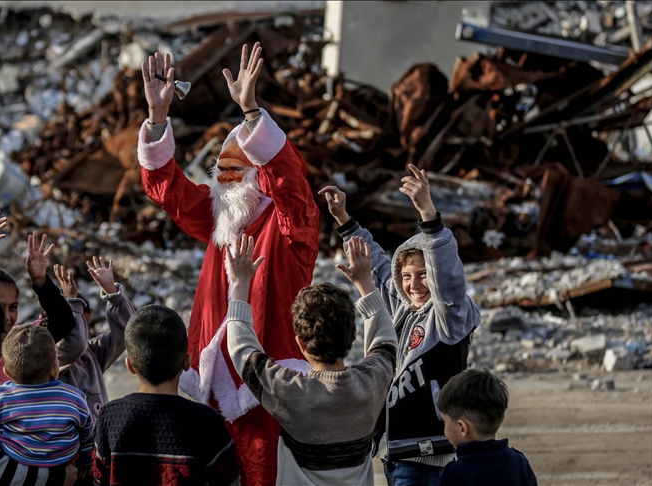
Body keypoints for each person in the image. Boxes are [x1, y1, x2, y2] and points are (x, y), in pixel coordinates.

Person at [139, 42, 320, 483]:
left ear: (260, 177)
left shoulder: (289, 226)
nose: (222, 179)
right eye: (218, 169)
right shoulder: (221, 218)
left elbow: (293, 185)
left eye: (235, 171)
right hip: (211, 391)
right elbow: (167, 188)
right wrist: (157, 117)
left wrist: (253, 113)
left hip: (266, 391)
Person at [320, 164, 480, 486]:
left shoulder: (449, 317)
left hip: (430, 456)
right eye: (407, 276)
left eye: (423, 275)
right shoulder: (402, 309)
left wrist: (427, 213)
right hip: (394, 453)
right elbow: (379, 266)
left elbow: (447, 277)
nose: (414, 284)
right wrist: (344, 219)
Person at [226, 235, 397, 485]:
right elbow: (386, 341)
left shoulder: (290, 391)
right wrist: (365, 282)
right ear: (352, 338)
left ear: (301, 343)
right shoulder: (371, 383)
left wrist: (240, 283)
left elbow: (241, 350)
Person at [92, 305, 240, 485]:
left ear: (129, 365)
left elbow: (98, 477)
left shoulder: (109, 417)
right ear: (187, 363)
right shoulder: (207, 422)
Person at [0, 324, 94, 474]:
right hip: (65, 465)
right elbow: (88, 435)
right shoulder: (75, 398)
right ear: (55, 369)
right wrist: (85, 462)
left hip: (18, 469)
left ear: (6, 371)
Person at [0, 231, 87, 385]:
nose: (6, 316)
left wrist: (40, 281)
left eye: (13, 307)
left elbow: (63, 321)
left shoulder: (25, 341)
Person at [52, 257, 134, 418]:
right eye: (76, 325)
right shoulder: (50, 358)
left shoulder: (91, 353)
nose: (82, 332)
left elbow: (128, 331)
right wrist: (71, 302)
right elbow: (74, 344)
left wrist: (112, 292)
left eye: (85, 325)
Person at [436, 369, 537, 486]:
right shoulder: (520, 463)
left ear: (462, 428)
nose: (445, 429)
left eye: (445, 422)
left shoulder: (456, 473)